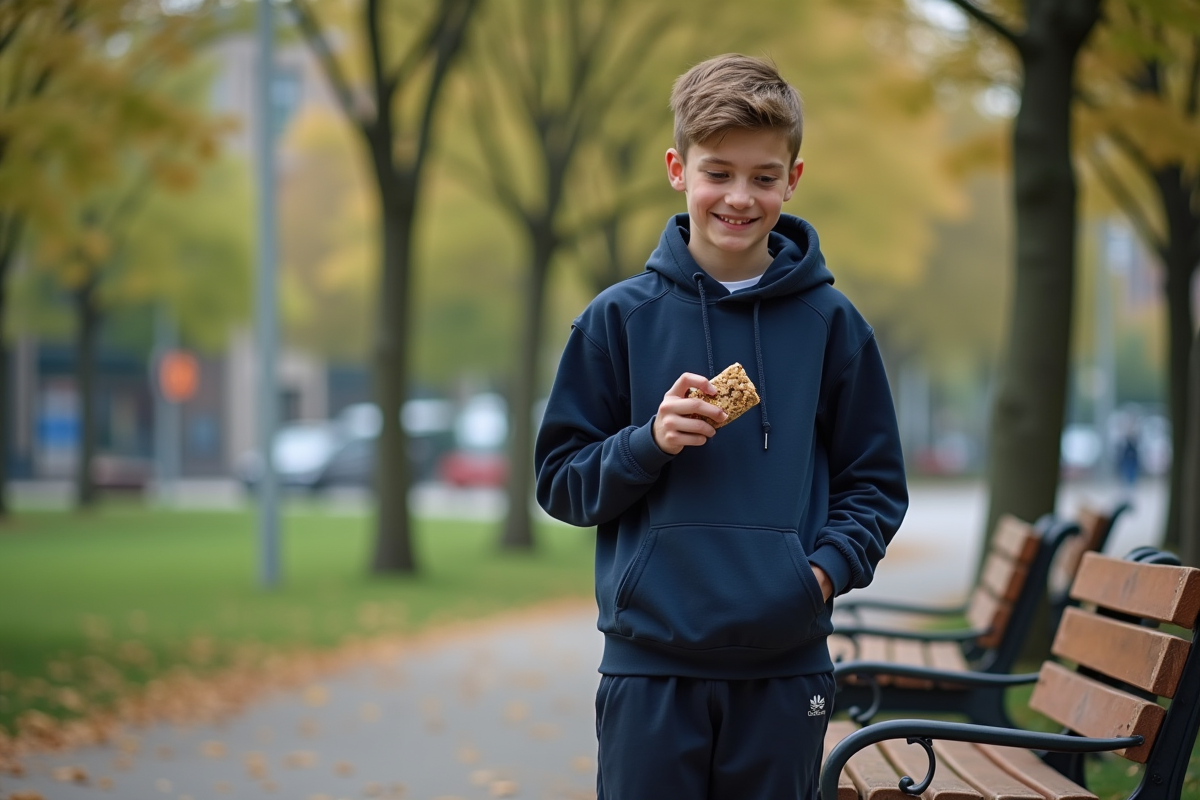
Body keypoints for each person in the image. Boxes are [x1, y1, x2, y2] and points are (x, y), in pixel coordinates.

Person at [534, 54, 908, 800]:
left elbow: (875, 485)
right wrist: (649, 442)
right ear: (678, 168)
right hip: (650, 667)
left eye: (763, 177)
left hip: (785, 665)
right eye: (718, 172)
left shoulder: (832, 326)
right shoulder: (617, 319)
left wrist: (819, 576)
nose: (739, 198)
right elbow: (560, 484)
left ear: (793, 181)